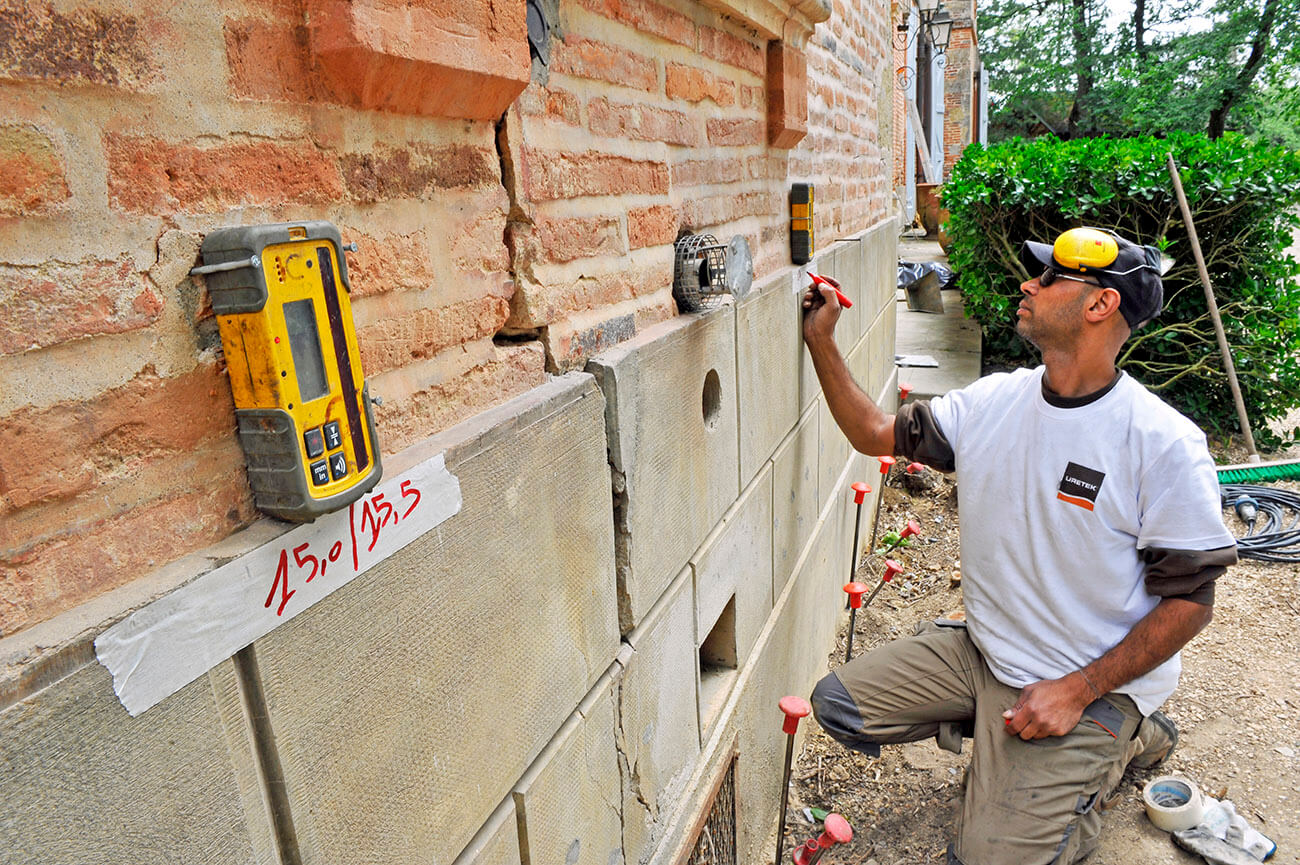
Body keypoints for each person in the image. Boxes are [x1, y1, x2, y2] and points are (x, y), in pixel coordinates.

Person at [801, 227, 1237, 865]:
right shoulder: (994, 402)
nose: (1028, 285)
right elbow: (874, 433)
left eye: (1050, 278)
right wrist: (821, 340)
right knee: (838, 706)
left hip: (1083, 679)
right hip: (987, 653)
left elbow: (1192, 602)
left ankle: (1120, 741)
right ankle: (1009, 742)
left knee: (984, 859)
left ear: (1099, 306)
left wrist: (1080, 688)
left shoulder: (1161, 443)